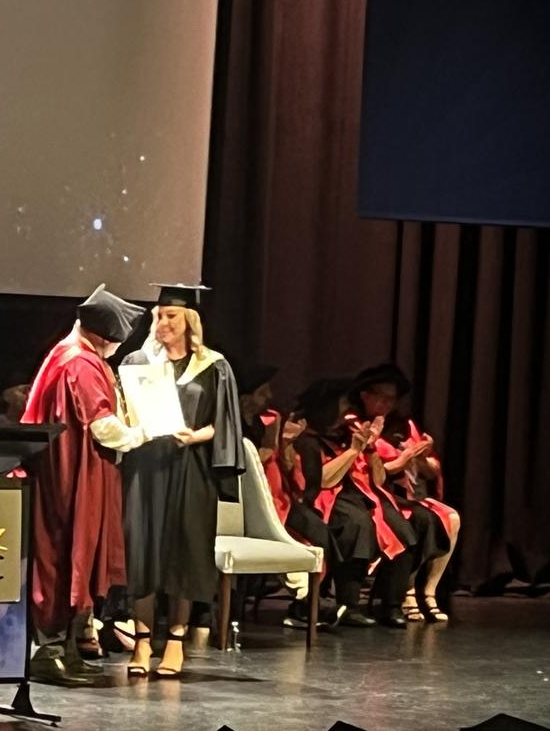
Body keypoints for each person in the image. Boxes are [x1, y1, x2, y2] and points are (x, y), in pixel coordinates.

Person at [21, 283, 147, 686]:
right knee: (62, 553)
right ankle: (49, 651)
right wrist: (145, 434)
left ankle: (68, 648)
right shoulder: (80, 362)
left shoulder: (67, 354)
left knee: (71, 553)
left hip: (77, 470)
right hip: (71, 474)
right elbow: (104, 427)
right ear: (104, 335)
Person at [121, 284, 245, 678]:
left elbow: (223, 424)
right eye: (158, 315)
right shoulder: (137, 362)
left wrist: (195, 436)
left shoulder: (213, 365)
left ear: (189, 319)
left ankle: (175, 641)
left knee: (184, 552)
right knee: (142, 551)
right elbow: (124, 412)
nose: (162, 323)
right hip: (146, 467)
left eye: (170, 316)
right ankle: (142, 642)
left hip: (191, 468)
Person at [294, 377, 418, 628]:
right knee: (356, 525)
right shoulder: (305, 439)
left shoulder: (343, 433)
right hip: (323, 498)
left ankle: (392, 605)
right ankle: (348, 605)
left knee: (403, 527)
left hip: (360, 493)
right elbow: (323, 481)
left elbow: (379, 479)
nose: (345, 412)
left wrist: (369, 449)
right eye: (340, 407)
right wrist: (353, 451)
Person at [351, 363, 460, 622]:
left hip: (403, 493)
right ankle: (404, 594)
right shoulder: (354, 423)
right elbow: (378, 470)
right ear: (366, 395)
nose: (388, 404)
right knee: (414, 521)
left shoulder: (402, 424)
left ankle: (428, 591)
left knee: (449, 518)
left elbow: (431, 469)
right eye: (382, 397)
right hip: (368, 492)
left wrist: (420, 458)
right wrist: (407, 456)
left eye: (393, 398)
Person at [235, 364, 337, 629]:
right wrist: (269, 447)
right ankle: (305, 597)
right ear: (246, 397)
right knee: (286, 539)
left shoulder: (262, 421)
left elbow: (284, 463)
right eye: (262, 392)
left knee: (320, 532)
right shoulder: (231, 422)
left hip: (276, 495)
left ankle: (312, 598)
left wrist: (284, 442)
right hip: (249, 501)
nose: (268, 396)